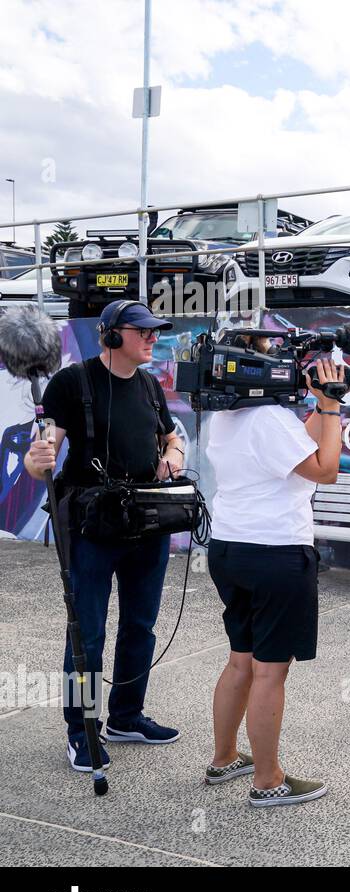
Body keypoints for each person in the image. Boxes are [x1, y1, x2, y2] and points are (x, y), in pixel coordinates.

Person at [23, 300, 185, 772]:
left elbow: (169, 437)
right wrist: (39, 460)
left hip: (145, 523)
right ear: (112, 336)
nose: (153, 338)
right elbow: (45, 447)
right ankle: (82, 730)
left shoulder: (151, 385)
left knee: (141, 626)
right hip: (91, 527)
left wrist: (171, 457)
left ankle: (127, 716)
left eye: (156, 331)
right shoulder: (73, 382)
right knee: (87, 635)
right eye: (143, 331)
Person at [204, 330, 344, 807]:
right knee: (270, 671)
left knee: (240, 658)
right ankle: (268, 780)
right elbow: (325, 469)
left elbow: (296, 453)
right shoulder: (268, 419)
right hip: (276, 552)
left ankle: (225, 757)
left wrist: (321, 407)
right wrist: (333, 409)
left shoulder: (228, 416)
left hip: (230, 547)